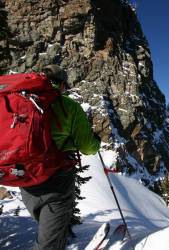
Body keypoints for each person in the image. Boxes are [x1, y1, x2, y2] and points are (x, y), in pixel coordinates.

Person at [20, 65, 101, 250]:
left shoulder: (21, 101)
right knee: (48, 242)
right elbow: (88, 147)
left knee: (48, 228)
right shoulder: (69, 106)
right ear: (62, 84)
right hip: (56, 179)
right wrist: (96, 141)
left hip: (24, 176)